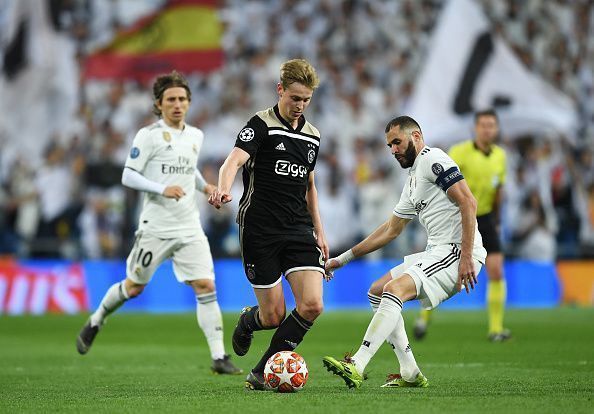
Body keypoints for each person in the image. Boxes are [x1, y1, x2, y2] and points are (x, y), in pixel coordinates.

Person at [76, 71, 242, 375]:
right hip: (156, 226)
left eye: (182, 99)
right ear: (159, 103)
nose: (177, 104)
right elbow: (128, 175)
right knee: (134, 287)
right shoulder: (148, 135)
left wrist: (206, 188)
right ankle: (97, 318)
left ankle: (219, 357)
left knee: (205, 284)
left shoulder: (195, 135)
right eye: (171, 100)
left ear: (189, 103)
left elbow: (188, 170)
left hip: (189, 225)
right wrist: (160, 188)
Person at [322, 115, 486, 389]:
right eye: (389, 145)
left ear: (417, 136)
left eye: (397, 142)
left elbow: (469, 202)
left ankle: (358, 363)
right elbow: (390, 230)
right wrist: (342, 259)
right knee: (377, 290)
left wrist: (467, 256)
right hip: (436, 251)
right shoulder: (412, 181)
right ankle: (409, 371)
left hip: (456, 252)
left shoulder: (434, 160)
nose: (393, 150)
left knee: (394, 289)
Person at [209, 59, 328, 391]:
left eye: (305, 100)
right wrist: (222, 188)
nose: (299, 106)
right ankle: (249, 320)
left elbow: (309, 186)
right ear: (280, 90)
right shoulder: (259, 125)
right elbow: (233, 161)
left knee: (313, 305)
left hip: (299, 229)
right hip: (259, 229)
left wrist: (320, 230)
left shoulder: (313, 137)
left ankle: (261, 372)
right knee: (274, 315)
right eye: (294, 98)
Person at [413, 109, 510, 342]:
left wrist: (497, 221)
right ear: (475, 128)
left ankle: (495, 329)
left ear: (496, 129)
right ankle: (423, 319)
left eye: (491, 125)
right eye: (483, 125)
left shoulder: (500, 156)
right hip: (460, 216)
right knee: (444, 273)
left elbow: (498, 191)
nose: (487, 129)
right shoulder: (459, 152)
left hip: (485, 217)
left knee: (496, 270)